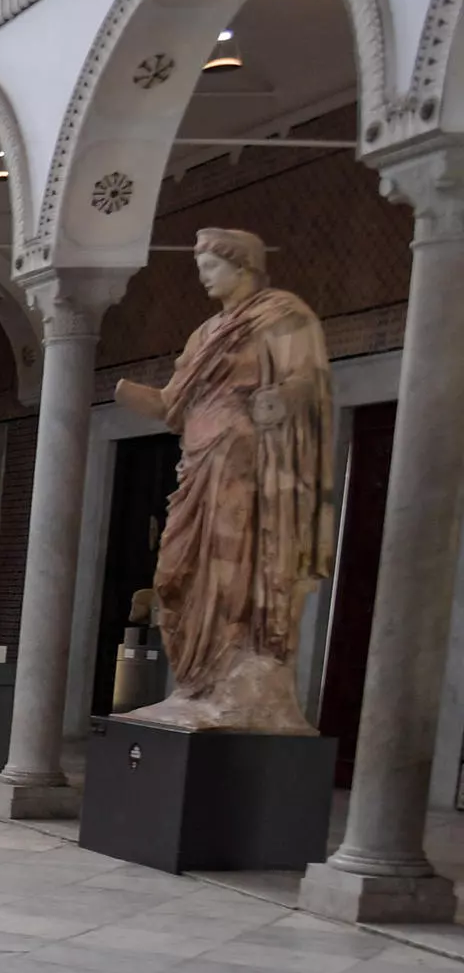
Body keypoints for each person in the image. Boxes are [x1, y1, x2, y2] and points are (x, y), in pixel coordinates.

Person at [113, 228, 332, 732]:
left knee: (233, 569)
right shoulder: (205, 333)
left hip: (245, 464)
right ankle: (196, 684)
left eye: (211, 267)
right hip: (197, 464)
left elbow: (306, 381)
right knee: (175, 573)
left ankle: (236, 685)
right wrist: (126, 392)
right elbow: (171, 404)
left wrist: (280, 400)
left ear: (243, 265)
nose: (203, 278)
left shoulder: (282, 315)